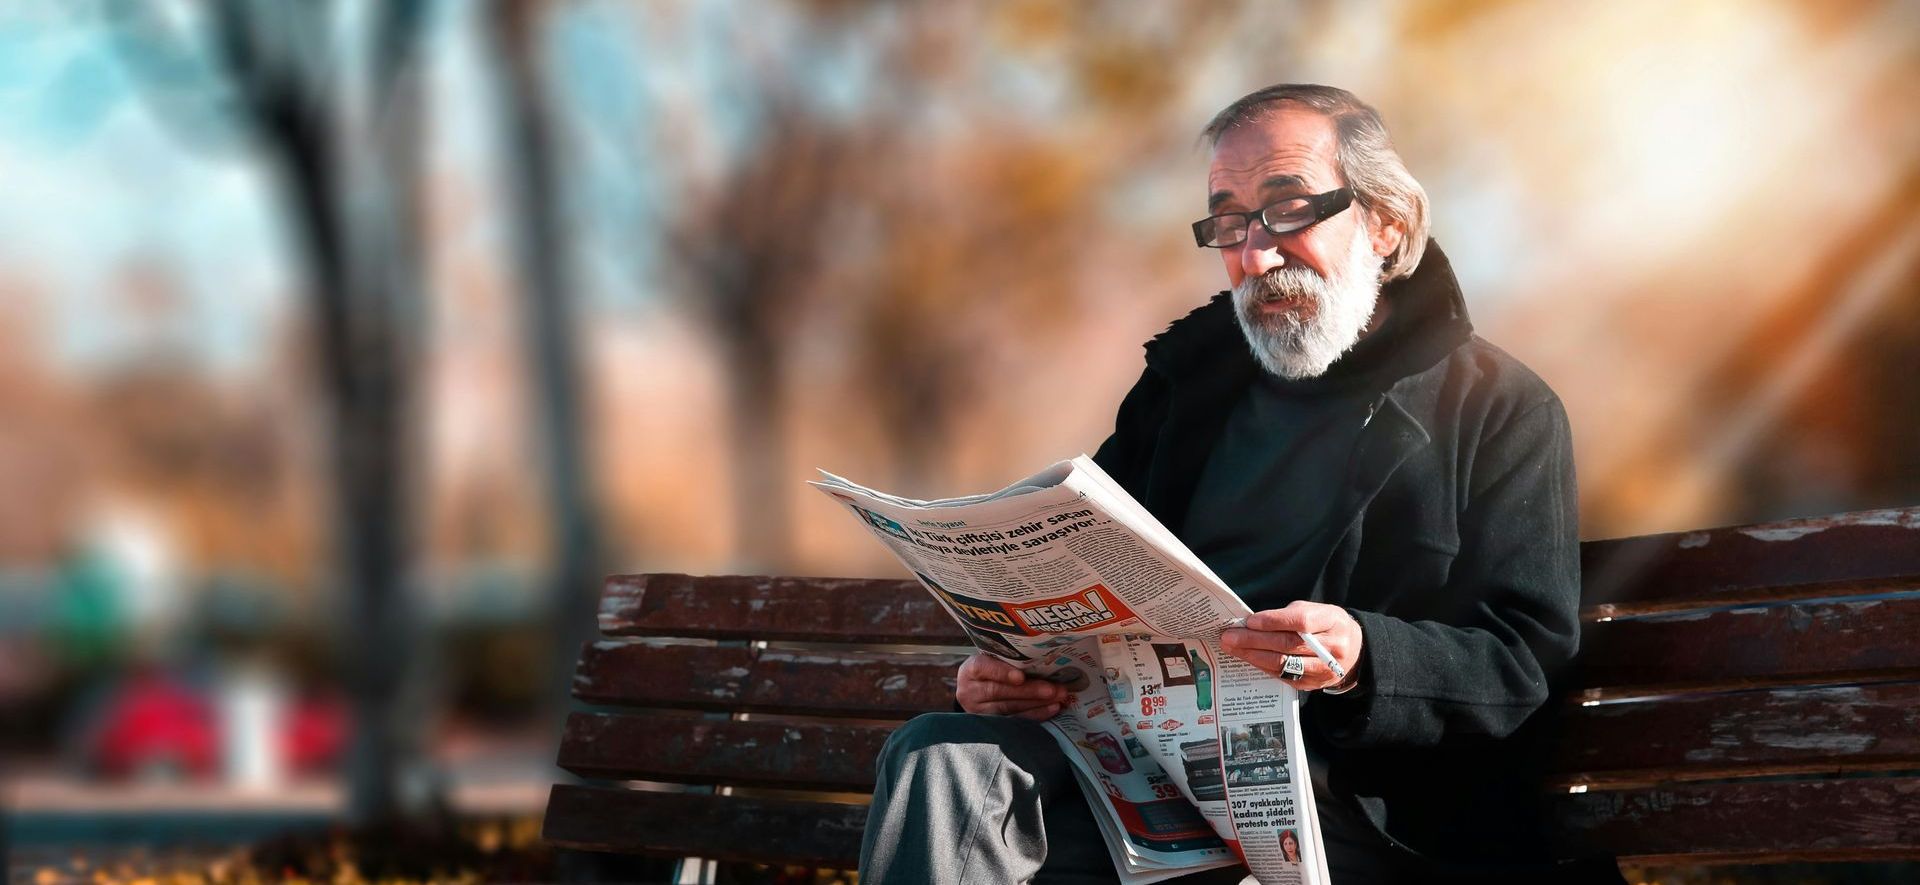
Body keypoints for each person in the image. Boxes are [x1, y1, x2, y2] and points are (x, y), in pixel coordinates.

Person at [858, 84, 1625, 884]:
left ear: (1386, 222)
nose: (1256, 254)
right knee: (942, 758)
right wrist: (1010, 675)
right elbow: (1079, 574)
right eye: (1229, 221)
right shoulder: (1183, 392)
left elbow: (1521, 663)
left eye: (1289, 209)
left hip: (1361, 811)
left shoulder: (1500, 406)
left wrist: (1364, 656)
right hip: (1146, 779)